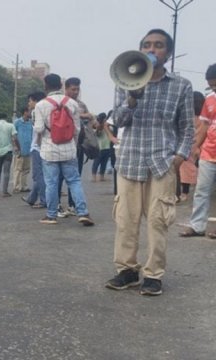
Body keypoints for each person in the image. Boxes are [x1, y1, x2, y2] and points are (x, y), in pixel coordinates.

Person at [105, 29, 194, 296]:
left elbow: (187, 128)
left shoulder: (181, 85)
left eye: (158, 46)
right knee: (126, 219)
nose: (152, 49)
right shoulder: (124, 80)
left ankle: (153, 274)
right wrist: (133, 96)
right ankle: (127, 270)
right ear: (140, 50)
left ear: (168, 53)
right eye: (147, 45)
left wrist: (179, 157)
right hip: (130, 160)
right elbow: (118, 121)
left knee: (158, 221)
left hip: (161, 163)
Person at [34, 73, 94, 227]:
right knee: (74, 181)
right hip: (69, 149)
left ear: (46, 86)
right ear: (61, 85)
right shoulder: (72, 103)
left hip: (49, 150)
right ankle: (83, 212)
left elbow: (39, 128)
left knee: (51, 183)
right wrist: (72, 144)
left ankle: (51, 215)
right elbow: (77, 129)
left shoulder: (41, 105)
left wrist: (39, 143)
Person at [179, 67, 216, 238]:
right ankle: (197, 226)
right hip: (209, 153)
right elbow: (205, 126)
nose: (214, 89)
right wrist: (195, 148)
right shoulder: (209, 100)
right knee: (201, 190)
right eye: (212, 86)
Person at [176, 91, 204, 202]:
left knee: (184, 170)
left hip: (189, 146)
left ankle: (184, 193)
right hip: (203, 145)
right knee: (203, 169)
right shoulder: (204, 117)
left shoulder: (188, 116)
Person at [22, 91, 47, 208]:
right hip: (44, 147)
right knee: (41, 175)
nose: (29, 103)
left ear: (36, 101)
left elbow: (39, 130)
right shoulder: (47, 109)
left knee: (38, 176)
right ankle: (31, 198)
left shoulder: (36, 111)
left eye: (30, 100)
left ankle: (44, 201)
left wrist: (37, 142)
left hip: (38, 147)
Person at [12, 108, 33, 193]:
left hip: (28, 149)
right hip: (19, 149)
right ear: (25, 112)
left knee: (26, 169)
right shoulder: (17, 122)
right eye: (29, 111)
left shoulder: (31, 123)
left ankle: (24, 186)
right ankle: (16, 187)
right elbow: (13, 135)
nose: (30, 113)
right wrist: (15, 146)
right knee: (18, 168)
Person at [91, 113, 112, 182]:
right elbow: (97, 134)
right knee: (97, 163)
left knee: (103, 163)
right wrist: (99, 126)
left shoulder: (108, 126)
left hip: (106, 147)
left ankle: (100, 177)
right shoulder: (97, 126)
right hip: (100, 147)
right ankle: (95, 177)